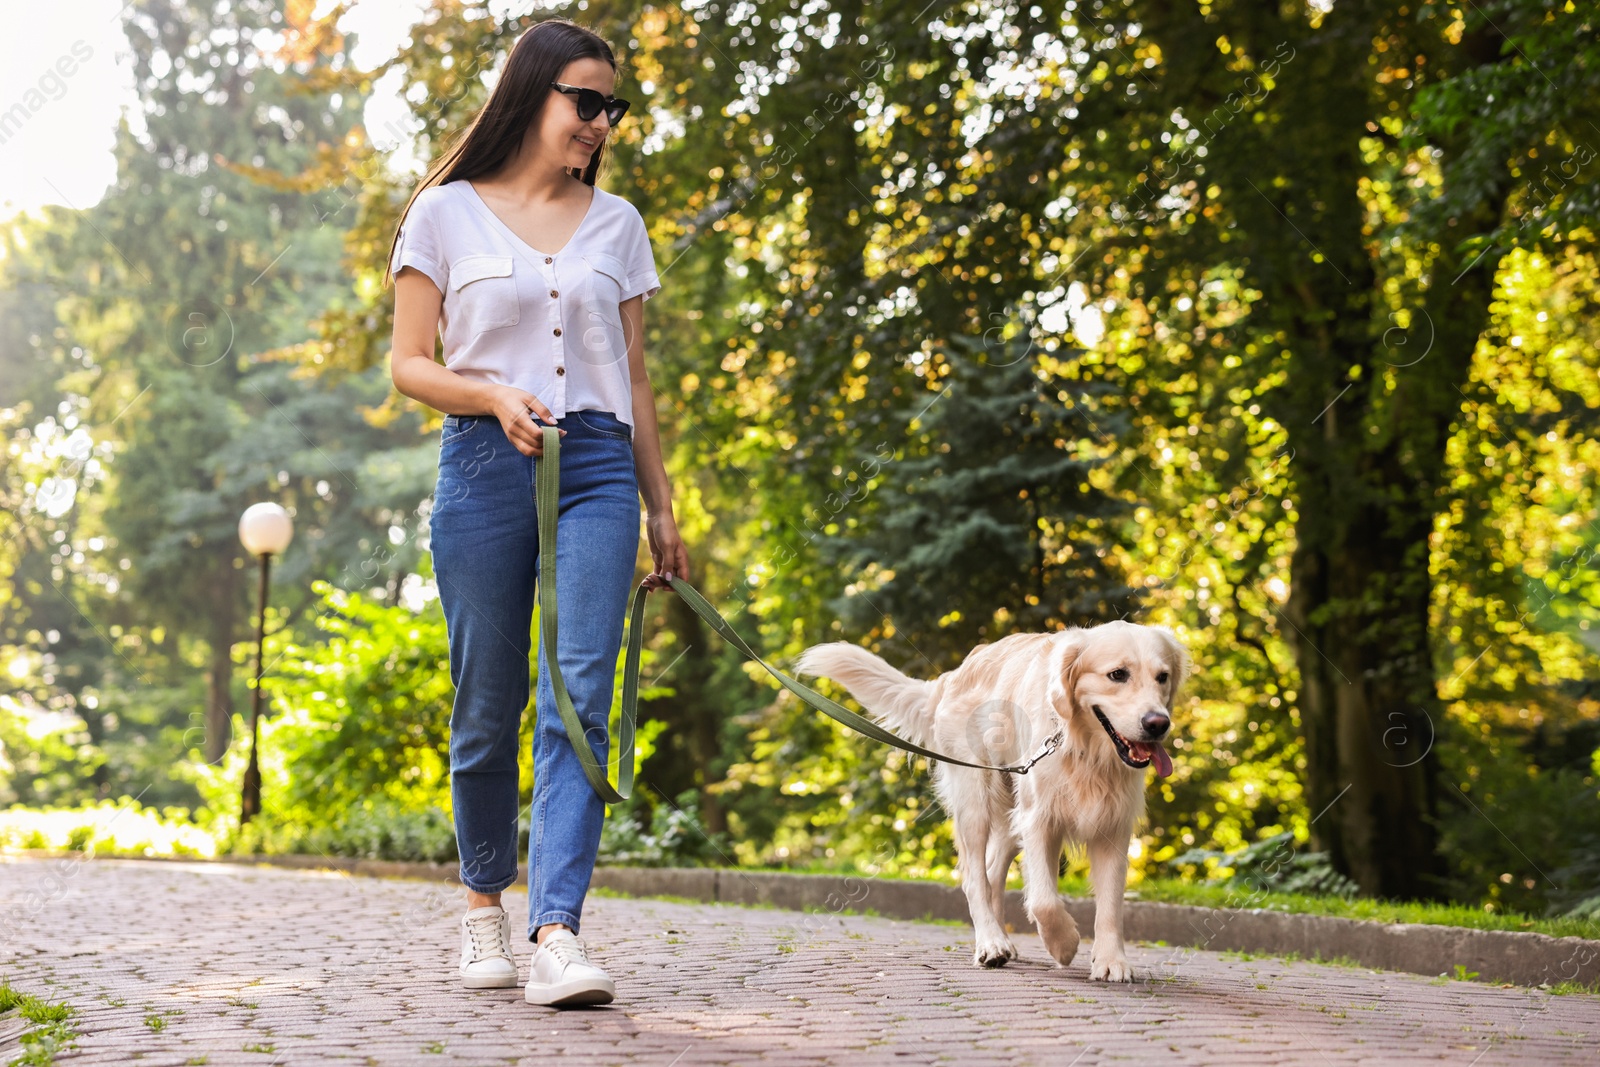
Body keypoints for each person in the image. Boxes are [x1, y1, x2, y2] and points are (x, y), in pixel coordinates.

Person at [385, 17, 689, 1008]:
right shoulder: (443, 213)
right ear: (533, 94)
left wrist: (662, 506)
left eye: (614, 107)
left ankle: (556, 927)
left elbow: (637, 383)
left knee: (580, 692)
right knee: (486, 701)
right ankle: (483, 904)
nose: (602, 122)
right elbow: (409, 362)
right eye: (585, 101)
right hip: (484, 464)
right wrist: (491, 395)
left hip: (597, 466)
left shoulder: (620, 226)